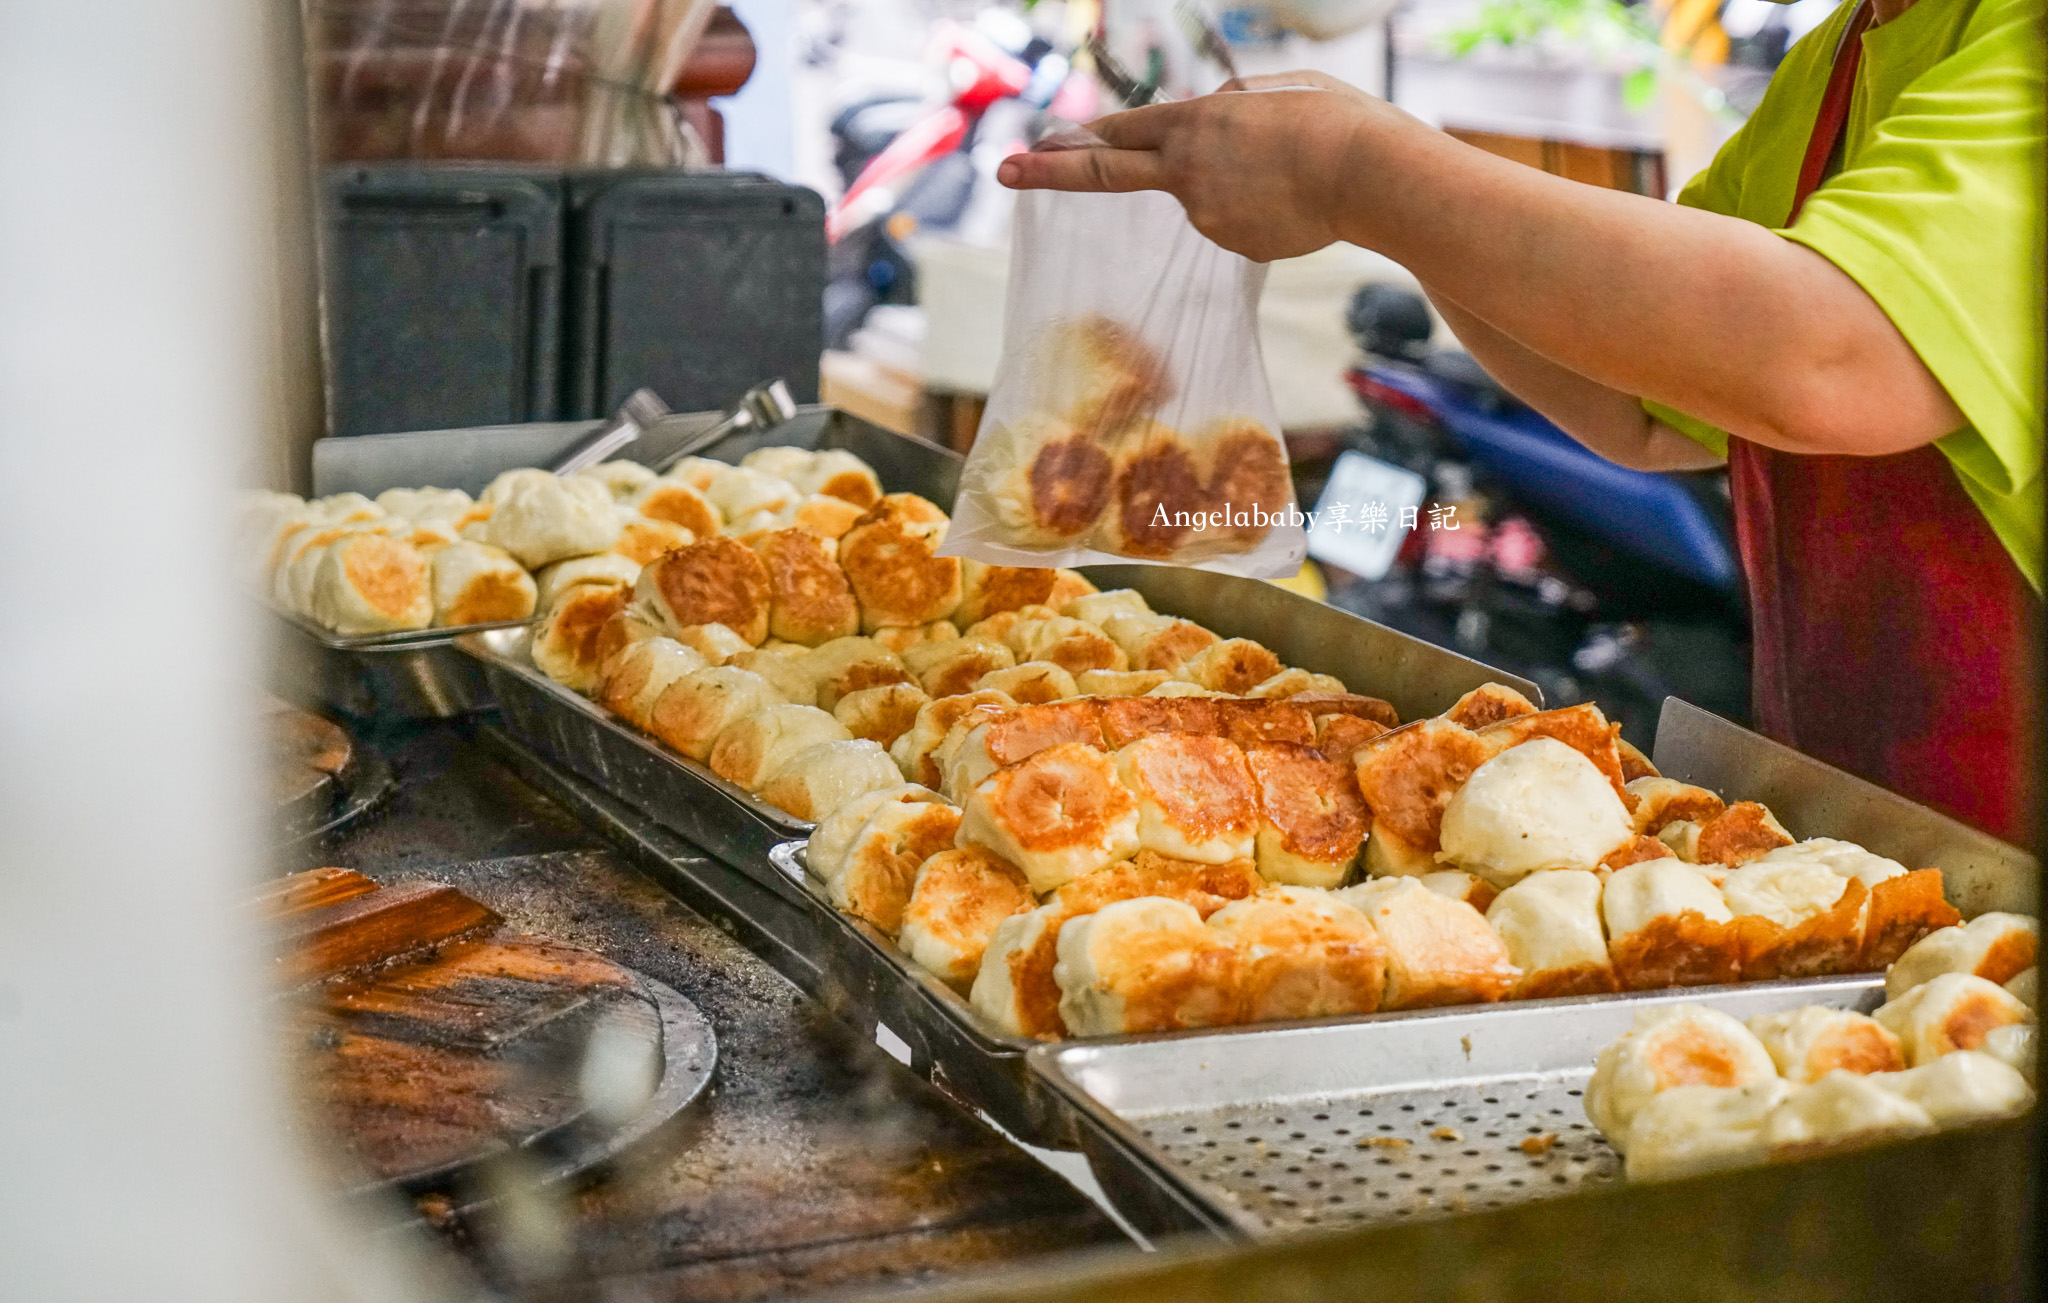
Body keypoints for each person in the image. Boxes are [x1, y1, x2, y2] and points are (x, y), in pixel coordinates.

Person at [998, 0, 2042, 843]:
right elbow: (1640, 399)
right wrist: (1375, 185)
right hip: (1881, 845)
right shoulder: (1849, 52)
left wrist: (1357, 171)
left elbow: (1827, 354)